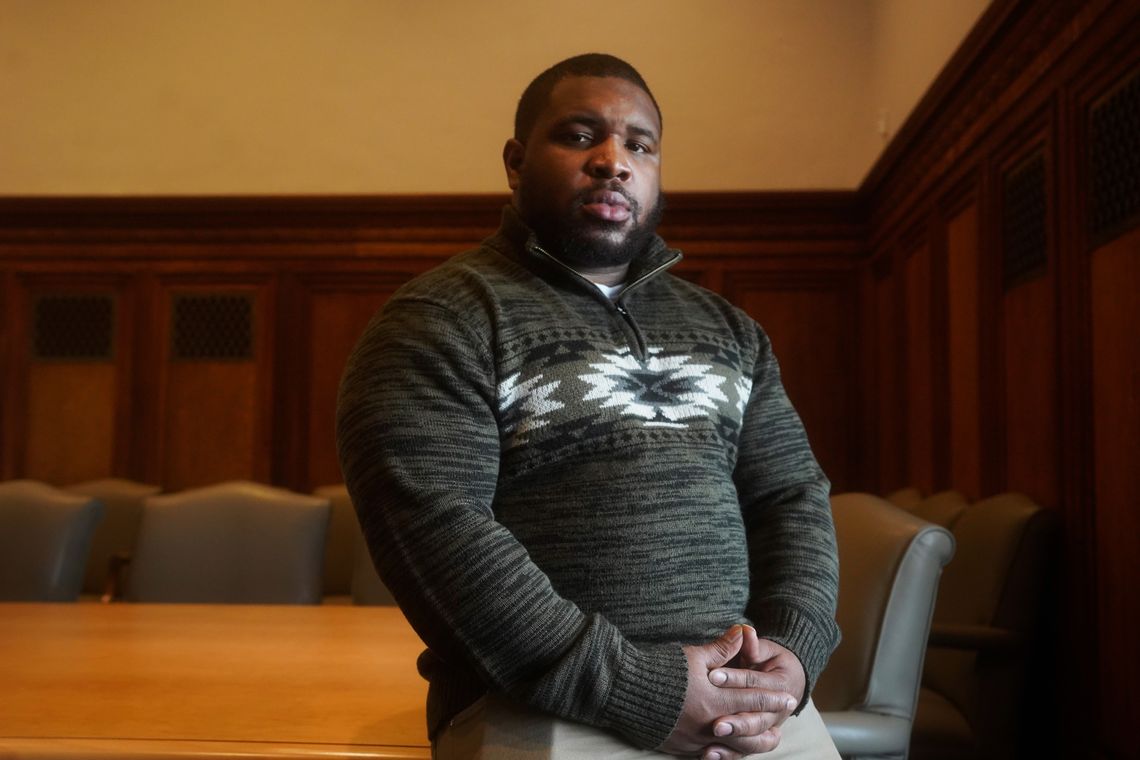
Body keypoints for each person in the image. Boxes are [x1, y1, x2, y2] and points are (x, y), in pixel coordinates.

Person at [336, 53, 841, 759]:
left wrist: (793, 648)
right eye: (578, 136)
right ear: (516, 162)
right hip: (541, 704)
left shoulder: (732, 333)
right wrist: (638, 687)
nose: (614, 160)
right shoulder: (439, 319)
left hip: (751, 707)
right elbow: (435, 530)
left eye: (639, 144)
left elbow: (791, 497)